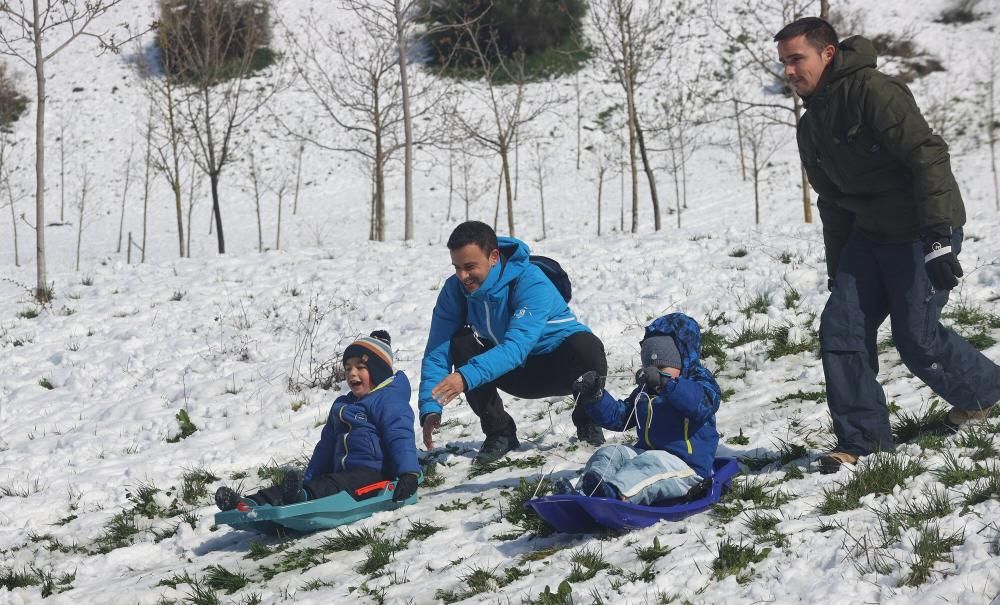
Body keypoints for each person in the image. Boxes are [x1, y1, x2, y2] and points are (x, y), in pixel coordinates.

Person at [774, 18, 1000, 473]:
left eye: (797, 59)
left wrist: (937, 236)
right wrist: (840, 269)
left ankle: (985, 393)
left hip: (919, 230)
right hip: (868, 237)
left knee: (916, 338)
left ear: (828, 53)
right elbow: (833, 202)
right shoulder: (810, 126)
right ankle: (864, 443)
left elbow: (927, 156)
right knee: (841, 328)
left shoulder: (874, 92)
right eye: (784, 63)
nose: (790, 72)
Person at [419, 221, 608, 465]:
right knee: (461, 343)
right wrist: (430, 407)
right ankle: (500, 433)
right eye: (457, 267)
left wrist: (465, 377)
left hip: (559, 369)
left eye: (470, 267)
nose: (462, 276)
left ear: (493, 257)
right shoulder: (455, 290)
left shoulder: (531, 281)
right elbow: (437, 350)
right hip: (514, 372)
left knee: (587, 346)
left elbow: (516, 347)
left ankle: (589, 422)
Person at [215, 331, 420, 509]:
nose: (352, 374)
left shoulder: (389, 402)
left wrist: (408, 474)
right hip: (340, 476)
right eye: (348, 368)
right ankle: (251, 503)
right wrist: (308, 479)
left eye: (360, 367)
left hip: (374, 475)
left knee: (329, 485)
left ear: (378, 372)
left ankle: (302, 496)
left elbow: (400, 437)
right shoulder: (343, 405)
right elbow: (326, 446)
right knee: (314, 484)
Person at [563, 313, 721, 505]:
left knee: (650, 463)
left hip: (686, 467)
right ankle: (585, 492)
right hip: (647, 456)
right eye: (650, 367)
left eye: (662, 366)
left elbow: (701, 404)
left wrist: (668, 384)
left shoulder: (698, 382)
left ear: (683, 360)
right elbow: (620, 417)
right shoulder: (645, 392)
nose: (655, 372)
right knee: (611, 453)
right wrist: (596, 396)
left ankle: (614, 494)